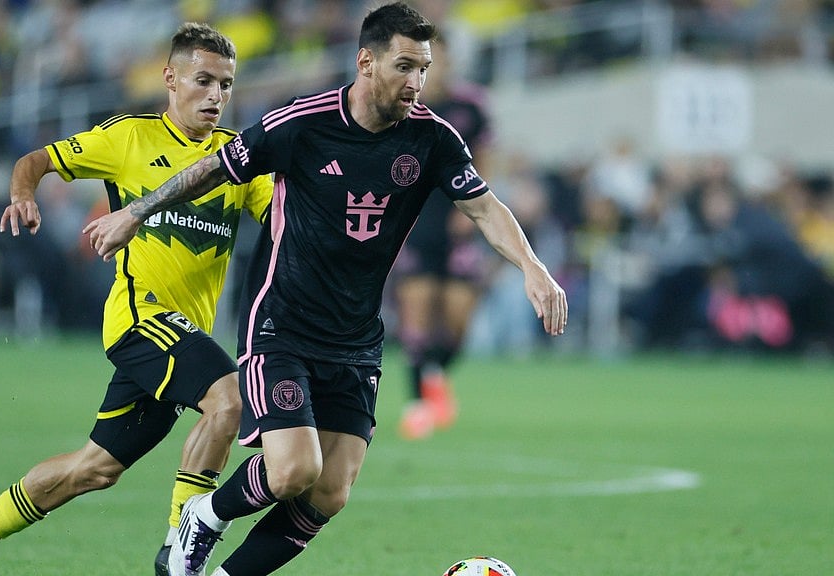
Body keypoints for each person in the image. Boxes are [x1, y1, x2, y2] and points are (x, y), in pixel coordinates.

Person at [84, 4, 567, 575]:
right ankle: (204, 514)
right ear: (366, 62)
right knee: (293, 470)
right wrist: (137, 211)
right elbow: (212, 169)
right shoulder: (301, 123)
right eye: (404, 66)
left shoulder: (433, 138)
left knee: (330, 492)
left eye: (424, 69)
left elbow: (484, 207)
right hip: (282, 327)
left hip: (356, 339)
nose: (416, 82)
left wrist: (532, 266)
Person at [0, 23, 273, 576]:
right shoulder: (129, 138)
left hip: (184, 334)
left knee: (95, 469)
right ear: (170, 79)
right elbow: (35, 161)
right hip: (141, 319)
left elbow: (284, 220)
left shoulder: (235, 158)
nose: (216, 95)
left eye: (226, 84)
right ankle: (181, 549)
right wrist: (23, 195)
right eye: (203, 80)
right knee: (229, 399)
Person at [390, 39, 495, 440]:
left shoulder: (472, 106)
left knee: (458, 321)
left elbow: (486, 160)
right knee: (416, 314)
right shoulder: (399, 105)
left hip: (458, 222)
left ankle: (433, 373)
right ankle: (417, 404)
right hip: (414, 223)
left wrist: (475, 205)